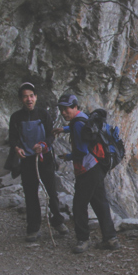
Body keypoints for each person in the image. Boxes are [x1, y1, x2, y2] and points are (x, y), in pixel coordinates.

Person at [53, 94, 121, 254]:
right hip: (97, 166)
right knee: (100, 203)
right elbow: (80, 127)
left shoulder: (77, 123)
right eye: (61, 109)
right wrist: (63, 129)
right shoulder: (83, 118)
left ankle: (83, 240)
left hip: (87, 169)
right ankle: (111, 239)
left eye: (67, 108)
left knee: (79, 205)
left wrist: (68, 156)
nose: (64, 112)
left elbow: (81, 151)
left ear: (75, 107)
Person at [8, 82, 69, 242]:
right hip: (27, 160)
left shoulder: (43, 114)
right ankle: (33, 228)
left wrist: (43, 145)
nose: (29, 99)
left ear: (36, 97)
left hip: (45, 158)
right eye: (25, 96)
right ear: (21, 99)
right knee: (30, 194)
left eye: (31, 96)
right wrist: (16, 148)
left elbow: (50, 135)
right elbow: (13, 137)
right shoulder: (16, 117)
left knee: (51, 191)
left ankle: (57, 221)